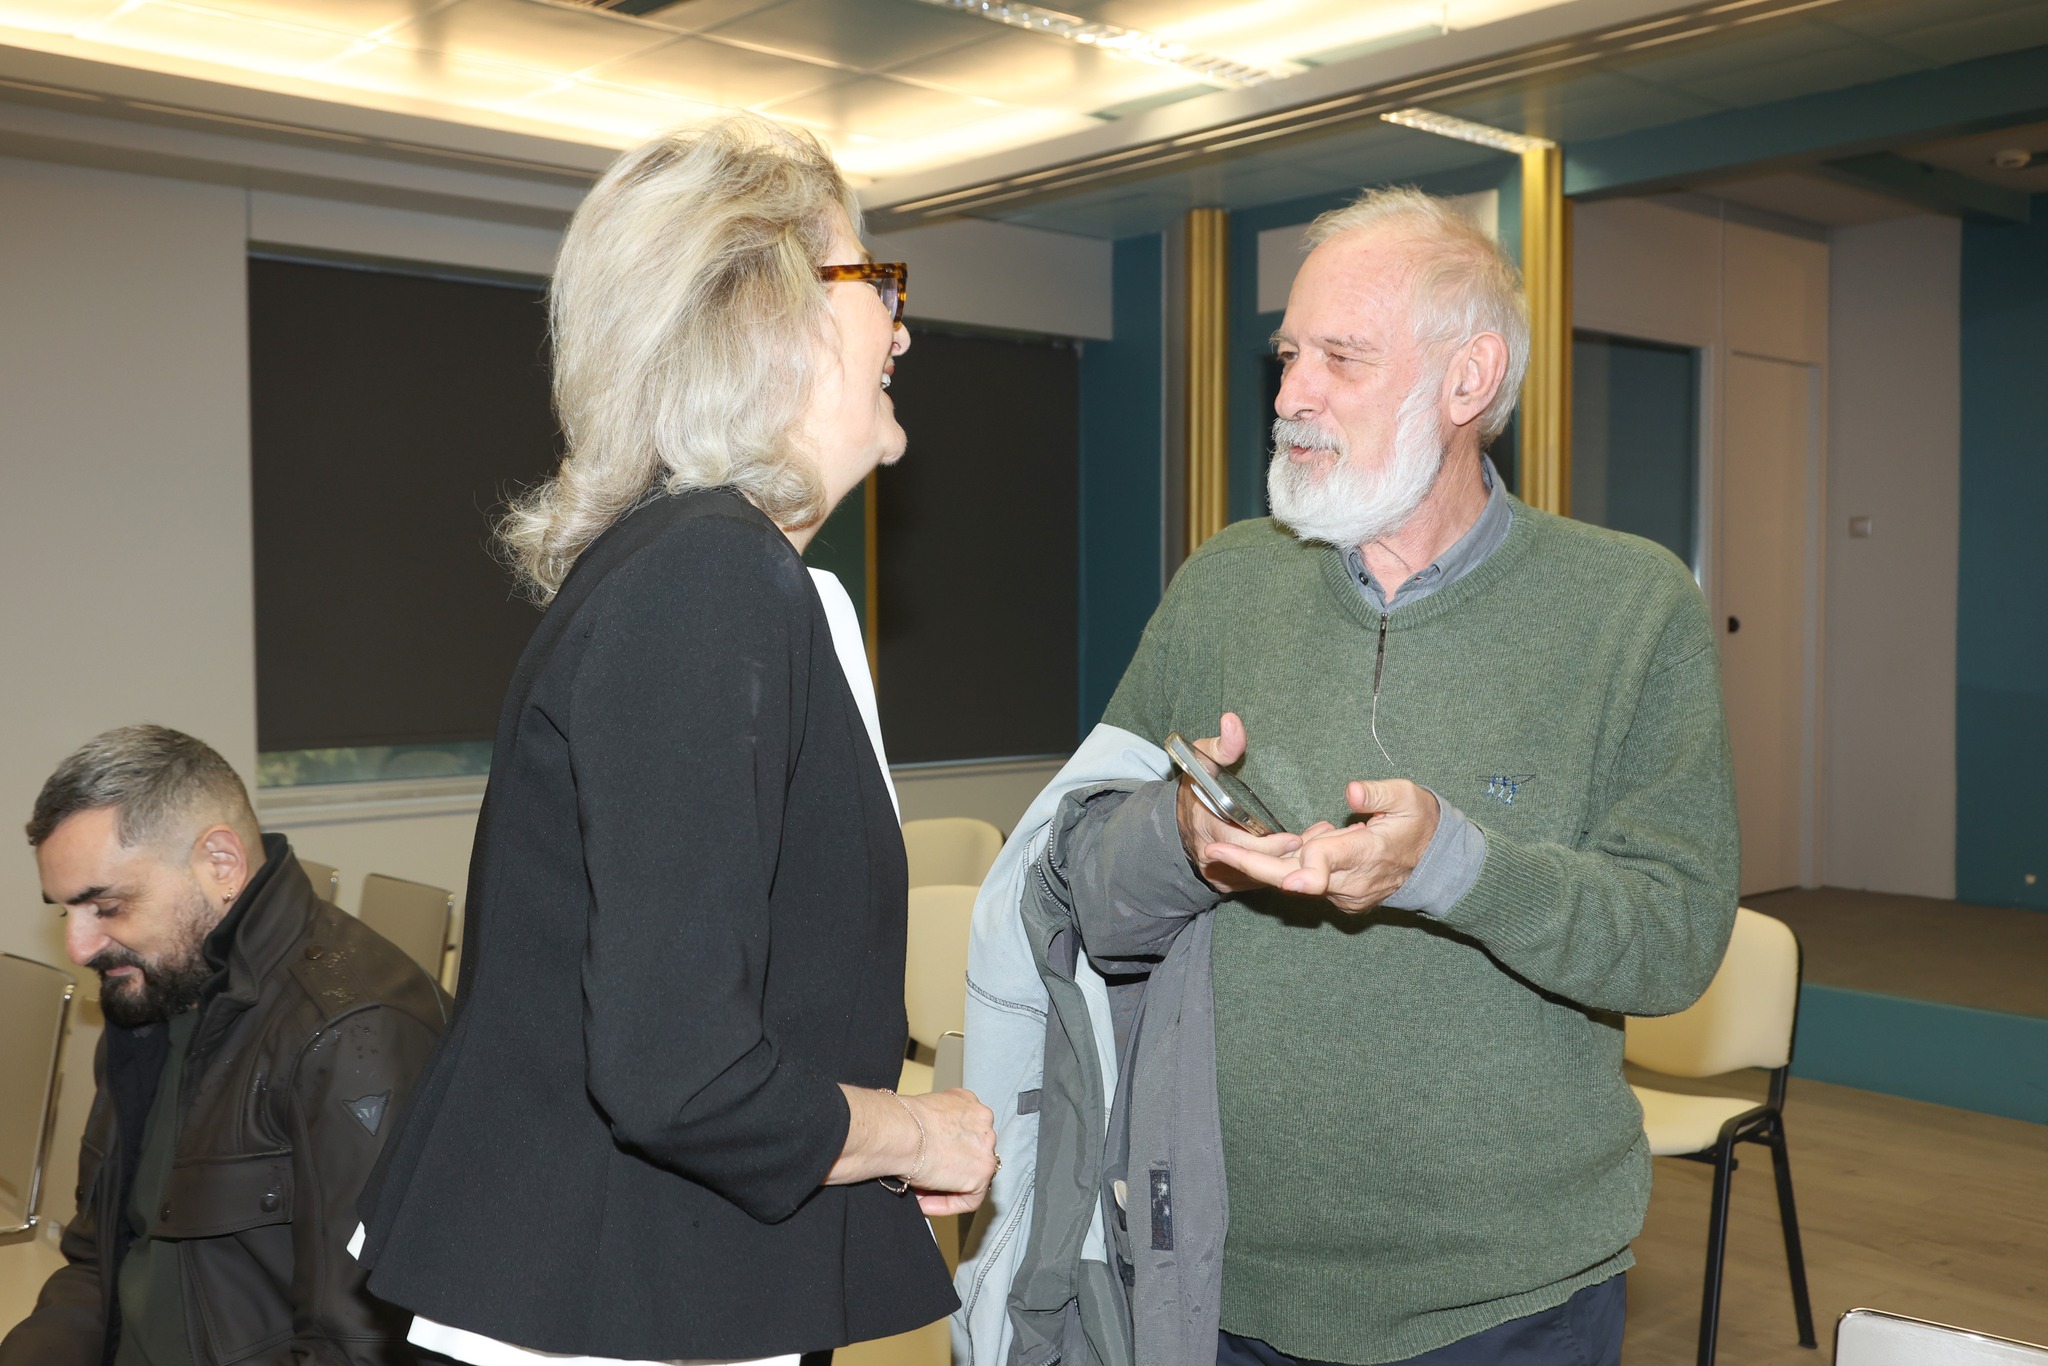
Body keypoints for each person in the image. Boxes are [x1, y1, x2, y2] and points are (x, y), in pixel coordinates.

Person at [956, 186, 1738, 1366]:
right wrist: (1180, 838)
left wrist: (1451, 869)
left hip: (1506, 1298)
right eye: (1286, 357)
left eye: (1339, 357)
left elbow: (1670, 941)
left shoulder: (1629, 608)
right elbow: (1076, 886)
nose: (1288, 396)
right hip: (1209, 1273)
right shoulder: (1224, 583)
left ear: (1467, 381)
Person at [353, 113, 997, 1366]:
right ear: (764, 309)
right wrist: (915, 1131)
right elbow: (680, 1070)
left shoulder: (717, 575)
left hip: (654, 1285)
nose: (900, 329)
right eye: (874, 281)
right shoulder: (709, 579)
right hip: (617, 1315)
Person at [3, 724, 448, 1366]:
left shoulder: (353, 1035)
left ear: (221, 864)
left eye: (107, 906)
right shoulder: (151, 996)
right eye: (64, 911)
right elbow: (98, 1261)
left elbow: (360, 1351)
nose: (78, 947)